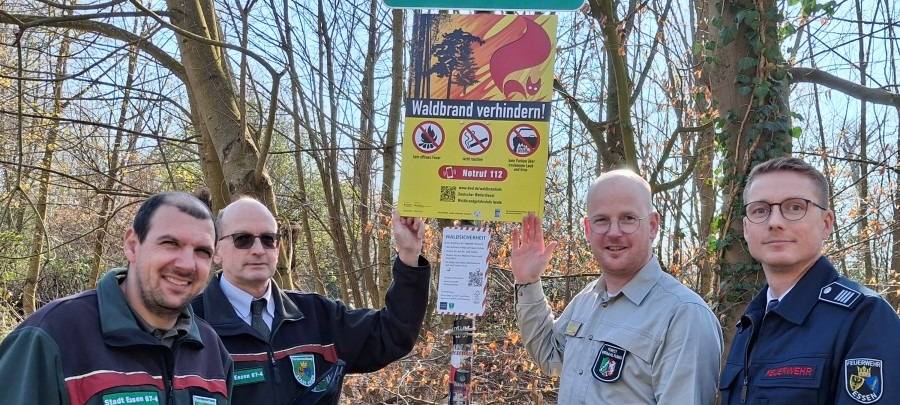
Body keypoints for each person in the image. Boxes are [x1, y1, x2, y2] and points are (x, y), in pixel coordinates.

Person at [511, 169, 723, 404]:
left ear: (653, 225)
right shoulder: (587, 299)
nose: (614, 232)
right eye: (601, 220)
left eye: (628, 218)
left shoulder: (684, 316)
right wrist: (528, 281)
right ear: (588, 229)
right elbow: (551, 355)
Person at [191, 197, 431, 404]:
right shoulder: (189, 325)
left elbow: (393, 333)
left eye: (268, 239)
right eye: (242, 239)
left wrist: (409, 255)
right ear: (216, 250)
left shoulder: (317, 316)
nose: (258, 249)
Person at [0, 192, 233, 404]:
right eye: (170, 244)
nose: (186, 265)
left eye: (202, 252)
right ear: (132, 246)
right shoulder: (52, 336)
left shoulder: (211, 350)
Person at [719, 157, 900, 404]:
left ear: (826, 224)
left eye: (795, 207)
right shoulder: (750, 323)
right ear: (746, 229)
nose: (775, 222)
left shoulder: (864, 317)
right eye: (760, 210)